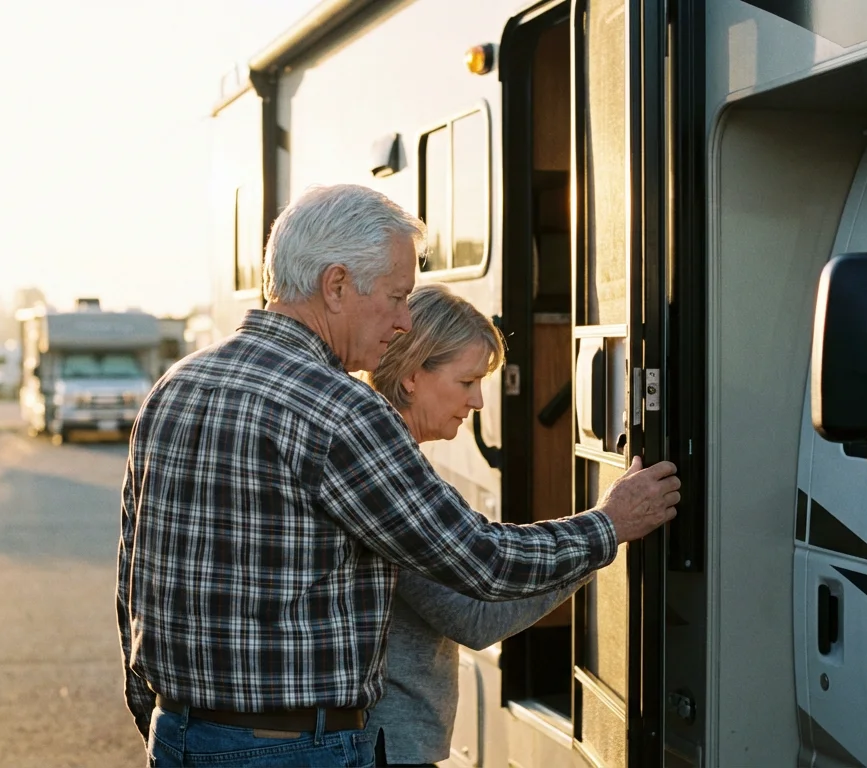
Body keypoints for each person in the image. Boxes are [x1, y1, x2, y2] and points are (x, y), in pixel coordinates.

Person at [116, 183, 680, 767]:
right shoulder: (337, 409)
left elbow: (132, 582)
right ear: (336, 286)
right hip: (295, 749)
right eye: (396, 296)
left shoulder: (176, 388)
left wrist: (163, 718)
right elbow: (481, 562)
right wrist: (608, 525)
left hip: (181, 735)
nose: (404, 320)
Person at [362, 283, 596, 766]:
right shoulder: (392, 478)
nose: (480, 403)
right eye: (467, 382)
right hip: (388, 748)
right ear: (411, 376)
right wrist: (603, 538)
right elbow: (475, 616)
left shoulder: (395, 460)